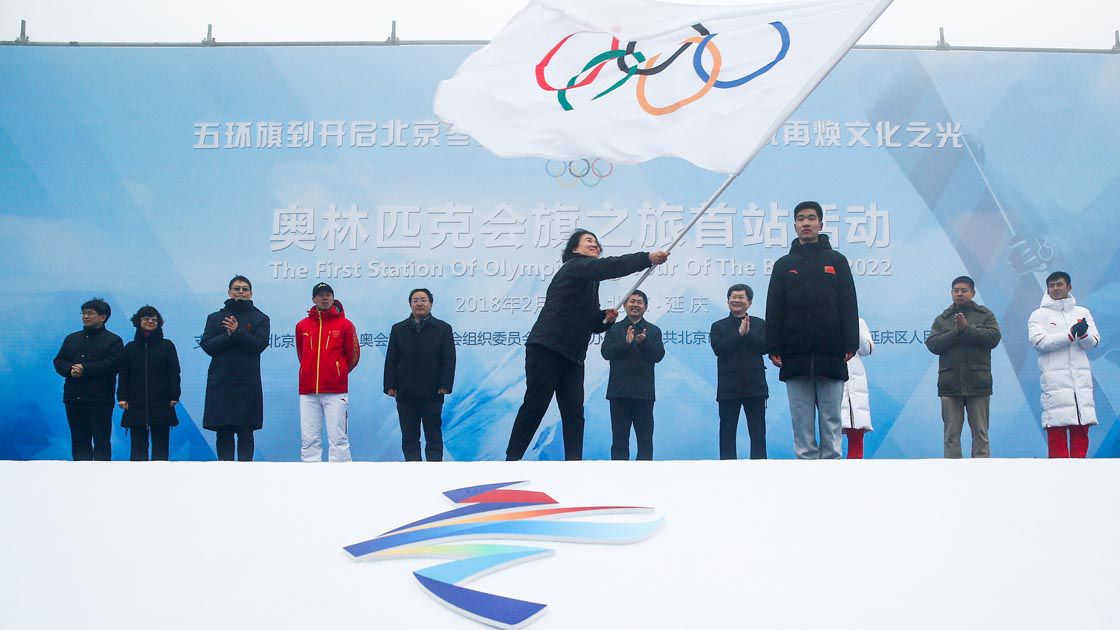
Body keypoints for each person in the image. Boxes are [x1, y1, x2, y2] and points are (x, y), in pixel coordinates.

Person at [506, 229, 669, 461]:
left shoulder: (589, 282)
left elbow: (592, 322)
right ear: (575, 249)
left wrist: (604, 318)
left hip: (573, 355)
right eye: (588, 241)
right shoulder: (575, 267)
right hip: (547, 347)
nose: (595, 245)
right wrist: (647, 258)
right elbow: (607, 267)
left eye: (596, 242)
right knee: (535, 406)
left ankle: (575, 464)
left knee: (574, 413)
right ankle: (511, 460)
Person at [765, 201, 859, 460]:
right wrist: (773, 346)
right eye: (801, 219)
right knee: (801, 420)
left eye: (811, 218)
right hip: (795, 354)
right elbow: (774, 307)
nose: (806, 223)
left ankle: (831, 468)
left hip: (831, 352)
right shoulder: (784, 265)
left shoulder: (836, 261)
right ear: (794, 225)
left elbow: (849, 304)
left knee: (831, 419)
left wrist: (850, 343)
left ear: (821, 224)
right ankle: (806, 469)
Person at [925, 275, 1001, 458]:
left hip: (978, 382)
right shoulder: (943, 319)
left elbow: (993, 338)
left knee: (981, 434)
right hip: (950, 384)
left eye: (964, 290)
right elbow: (933, 345)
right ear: (951, 293)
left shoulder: (985, 315)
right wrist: (956, 332)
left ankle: (981, 474)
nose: (959, 294)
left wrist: (967, 329)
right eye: (956, 290)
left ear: (973, 293)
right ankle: (953, 476)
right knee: (951, 435)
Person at [1027, 271, 1100, 458]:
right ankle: (1057, 479)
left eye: (1059, 284)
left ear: (1069, 287)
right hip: (1055, 383)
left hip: (1080, 384)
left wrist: (1083, 334)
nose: (1055, 288)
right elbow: (1039, 342)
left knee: (1081, 430)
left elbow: (1093, 343)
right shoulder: (1039, 314)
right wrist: (1069, 335)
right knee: (1056, 432)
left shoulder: (1082, 312)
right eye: (1051, 285)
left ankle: (1080, 478)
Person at [200, 275, 270, 461]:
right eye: (237, 288)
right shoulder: (215, 318)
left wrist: (238, 332)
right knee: (223, 431)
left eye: (244, 289)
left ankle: (246, 473)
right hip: (221, 382)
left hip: (247, 383)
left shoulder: (261, 318)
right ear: (229, 292)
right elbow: (207, 346)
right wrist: (228, 335)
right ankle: (224, 472)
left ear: (251, 293)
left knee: (245, 431)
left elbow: (258, 346)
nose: (240, 292)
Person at [384, 288, 456, 462]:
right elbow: (391, 359)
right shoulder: (398, 329)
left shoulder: (443, 328)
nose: (419, 303)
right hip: (405, 392)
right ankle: (413, 475)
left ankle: (435, 474)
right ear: (410, 304)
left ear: (431, 304)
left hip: (432, 392)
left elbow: (449, 359)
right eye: (415, 300)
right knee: (409, 437)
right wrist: (390, 385)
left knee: (433, 436)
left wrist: (445, 385)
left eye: (423, 300)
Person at [53, 297, 124, 461]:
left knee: (101, 440)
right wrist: (70, 370)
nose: (85, 316)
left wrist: (85, 369)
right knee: (79, 440)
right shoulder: (72, 338)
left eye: (90, 313)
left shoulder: (113, 340)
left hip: (100, 399)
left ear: (103, 317)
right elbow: (59, 360)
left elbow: (113, 364)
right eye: (83, 313)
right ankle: (79, 478)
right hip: (73, 397)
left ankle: (101, 477)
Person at [296, 282, 360, 462]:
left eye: (328, 295)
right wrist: (310, 371)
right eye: (320, 295)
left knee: (338, 439)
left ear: (333, 298)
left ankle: (340, 481)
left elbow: (353, 355)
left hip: (335, 391)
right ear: (313, 299)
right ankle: (310, 479)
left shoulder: (345, 325)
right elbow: (302, 354)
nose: (324, 298)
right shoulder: (302, 325)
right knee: (309, 440)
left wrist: (338, 372)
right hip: (308, 392)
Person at [601, 289, 664, 460]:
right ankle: (618, 480)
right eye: (632, 301)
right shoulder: (614, 329)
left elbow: (658, 356)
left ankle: (645, 481)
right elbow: (606, 353)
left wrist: (644, 343)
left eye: (639, 302)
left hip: (644, 393)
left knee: (645, 440)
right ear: (625, 305)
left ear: (645, 307)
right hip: (619, 393)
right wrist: (625, 343)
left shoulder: (653, 330)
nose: (635, 305)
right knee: (619, 440)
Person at [709, 283, 768, 460]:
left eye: (740, 297)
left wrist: (748, 333)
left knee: (758, 434)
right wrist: (739, 334)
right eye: (733, 297)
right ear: (728, 301)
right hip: (729, 388)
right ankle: (728, 472)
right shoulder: (718, 326)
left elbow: (765, 347)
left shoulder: (759, 324)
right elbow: (719, 349)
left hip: (755, 387)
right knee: (727, 433)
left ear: (749, 302)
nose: (736, 300)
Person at [117, 306, 181, 461]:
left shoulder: (167, 346)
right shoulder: (130, 348)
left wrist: (174, 395)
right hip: (135, 403)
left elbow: (174, 372)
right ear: (138, 321)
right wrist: (122, 397)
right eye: (146, 318)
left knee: (161, 449)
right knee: (137, 449)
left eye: (154, 319)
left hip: (162, 402)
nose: (151, 321)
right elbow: (124, 375)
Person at [840, 318, 874, 459]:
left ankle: (855, 473)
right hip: (830, 377)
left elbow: (866, 349)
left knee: (856, 431)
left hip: (854, 383)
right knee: (829, 433)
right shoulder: (823, 318)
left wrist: (851, 325)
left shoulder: (857, 321)